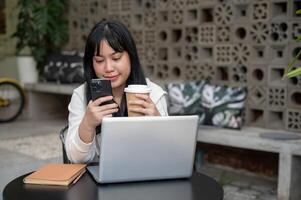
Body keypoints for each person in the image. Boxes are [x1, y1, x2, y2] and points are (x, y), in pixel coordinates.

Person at [65, 20, 168, 163]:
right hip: (97, 179)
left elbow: (167, 155)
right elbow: (76, 159)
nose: (108, 68)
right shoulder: (81, 96)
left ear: (131, 56)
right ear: (91, 63)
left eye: (116, 58)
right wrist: (88, 123)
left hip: (144, 174)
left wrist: (158, 123)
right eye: (99, 60)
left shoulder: (153, 93)